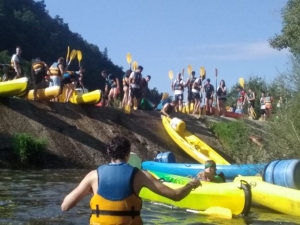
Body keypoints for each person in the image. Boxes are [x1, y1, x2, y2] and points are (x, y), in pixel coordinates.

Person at [61, 136, 200, 225]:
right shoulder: (140, 175)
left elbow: (65, 206)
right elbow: (176, 196)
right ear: (128, 154)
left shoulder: (93, 176)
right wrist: (191, 184)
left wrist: (93, 192)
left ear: (109, 153)